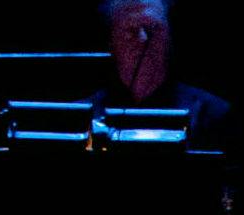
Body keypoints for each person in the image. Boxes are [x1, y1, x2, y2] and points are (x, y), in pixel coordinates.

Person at [89, 0, 232, 149]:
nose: (143, 39)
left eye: (153, 29)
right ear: (112, 41)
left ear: (168, 37)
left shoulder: (210, 114)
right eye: (131, 30)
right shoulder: (85, 116)